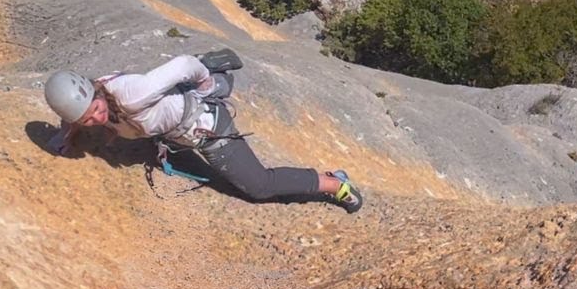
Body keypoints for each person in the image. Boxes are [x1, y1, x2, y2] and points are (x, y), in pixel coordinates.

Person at [42, 51, 364, 213]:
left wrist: (206, 85)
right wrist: (65, 137)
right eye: (87, 119)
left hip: (205, 125)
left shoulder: (133, 94)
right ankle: (208, 80)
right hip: (170, 130)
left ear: (96, 92)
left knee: (259, 187)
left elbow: (184, 63)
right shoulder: (87, 104)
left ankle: (335, 183)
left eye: (96, 109)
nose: (96, 118)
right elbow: (74, 116)